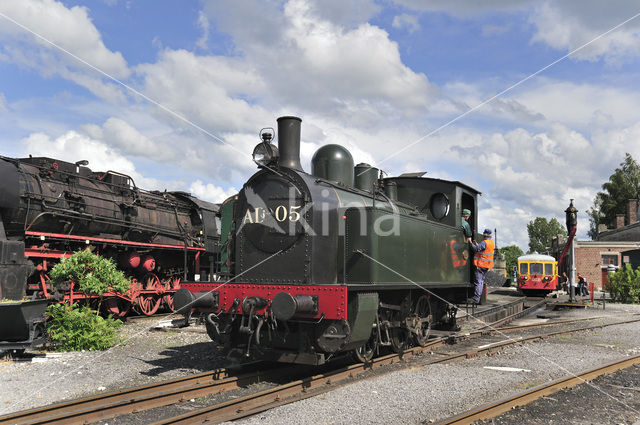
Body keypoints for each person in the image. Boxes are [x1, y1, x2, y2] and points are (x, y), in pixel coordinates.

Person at [469, 228, 495, 303]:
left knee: (478, 281)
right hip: (486, 266)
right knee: (481, 281)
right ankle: (477, 297)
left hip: (480, 265)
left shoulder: (484, 242)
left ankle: (476, 298)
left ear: (485, 235)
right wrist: (477, 245)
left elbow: (476, 249)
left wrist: (470, 243)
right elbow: (483, 249)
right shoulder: (491, 243)